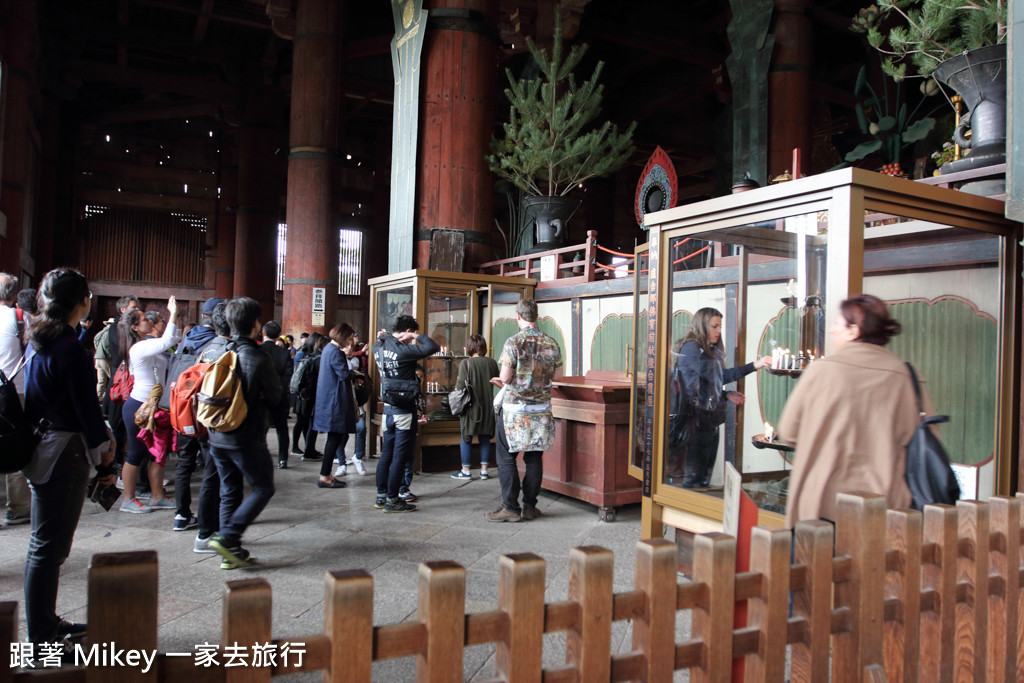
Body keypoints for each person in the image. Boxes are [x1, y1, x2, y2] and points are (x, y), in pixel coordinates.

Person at [22, 268, 115, 646]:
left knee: (44, 545)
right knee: (49, 548)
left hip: (42, 446)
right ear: (81, 302)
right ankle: (42, 636)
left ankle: (45, 623)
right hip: (63, 452)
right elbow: (86, 411)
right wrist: (104, 460)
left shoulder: (40, 338)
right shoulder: (70, 347)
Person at [779, 294, 927, 528]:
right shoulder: (906, 376)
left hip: (823, 506)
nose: (832, 330)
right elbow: (925, 438)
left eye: (838, 324)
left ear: (854, 331)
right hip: (887, 508)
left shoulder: (822, 372)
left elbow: (788, 432)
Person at [207, 297, 282, 569]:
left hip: (216, 432)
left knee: (229, 490)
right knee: (263, 487)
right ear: (256, 324)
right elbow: (276, 396)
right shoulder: (258, 357)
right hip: (245, 435)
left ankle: (231, 550)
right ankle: (228, 538)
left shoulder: (218, 350)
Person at [669, 307, 771, 489]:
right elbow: (714, 378)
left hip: (706, 421)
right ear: (701, 325)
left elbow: (705, 382)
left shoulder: (704, 349)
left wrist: (725, 394)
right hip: (695, 422)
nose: (718, 331)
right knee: (695, 479)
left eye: (720, 327)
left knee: (701, 477)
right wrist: (756, 365)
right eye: (714, 326)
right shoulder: (692, 348)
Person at [487, 299, 562, 523]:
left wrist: (506, 380)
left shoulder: (513, 342)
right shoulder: (551, 342)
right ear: (535, 316)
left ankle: (510, 507)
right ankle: (530, 506)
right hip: (540, 411)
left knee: (507, 458)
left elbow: (506, 378)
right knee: (534, 458)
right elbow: (556, 378)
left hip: (515, 412)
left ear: (518, 317)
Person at [371, 315, 439, 512]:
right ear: (407, 330)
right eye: (410, 334)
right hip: (404, 411)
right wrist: (415, 336)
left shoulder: (378, 347)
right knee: (400, 457)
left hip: (387, 410)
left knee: (386, 455)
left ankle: (381, 496)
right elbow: (432, 346)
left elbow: (379, 343)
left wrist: (382, 338)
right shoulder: (403, 351)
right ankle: (393, 499)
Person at [117, 299, 179, 512]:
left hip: (154, 406)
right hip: (140, 406)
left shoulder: (146, 344)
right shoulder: (139, 347)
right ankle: (127, 499)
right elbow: (169, 338)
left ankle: (156, 496)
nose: (149, 322)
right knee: (136, 453)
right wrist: (173, 312)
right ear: (135, 327)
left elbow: (172, 339)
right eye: (144, 320)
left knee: (157, 453)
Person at [171, 297, 223, 532]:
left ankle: (181, 515)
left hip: (181, 409)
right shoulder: (216, 343)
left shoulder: (186, 339)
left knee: (185, 463)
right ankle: (208, 520)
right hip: (203, 410)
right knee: (211, 468)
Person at [312, 322, 360, 487]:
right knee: (334, 438)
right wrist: (355, 373)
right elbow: (343, 374)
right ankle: (324, 476)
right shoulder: (335, 352)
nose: (349, 342)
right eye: (348, 338)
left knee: (334, 438)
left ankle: (327, 474)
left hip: (329, 400)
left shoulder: (328, 349)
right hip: (335, 402)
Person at [0, 272, 31, 526]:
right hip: (14, 390)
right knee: (15, 443)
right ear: (13, 295)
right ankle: (18, 507)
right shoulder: (20, 318)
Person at [451, 334, 499, 480]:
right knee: (485, 438)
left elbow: (460, 388)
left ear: (470, 347)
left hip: (470, 407)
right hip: (487, 405)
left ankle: (465, 470)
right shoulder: (492, 363)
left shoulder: (466, 364)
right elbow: (497, 381)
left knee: (466, 438)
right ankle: (484, 470)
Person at [259, 320, 293, 468]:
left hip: (259, 397)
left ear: (263, 333)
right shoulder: (284, 353)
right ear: (279, 335)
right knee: (282, 428)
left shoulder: (256, 349)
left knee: (260, 428)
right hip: (278, 396)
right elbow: (287, 377)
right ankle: (282, 459)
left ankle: (260, 457)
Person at [291, 332, 323, 459]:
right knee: (304, 422)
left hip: (302, 395)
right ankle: (300, 448)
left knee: (304, 422)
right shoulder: (311, 357)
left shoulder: (305, 355)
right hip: (307, 395)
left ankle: (308, 448)